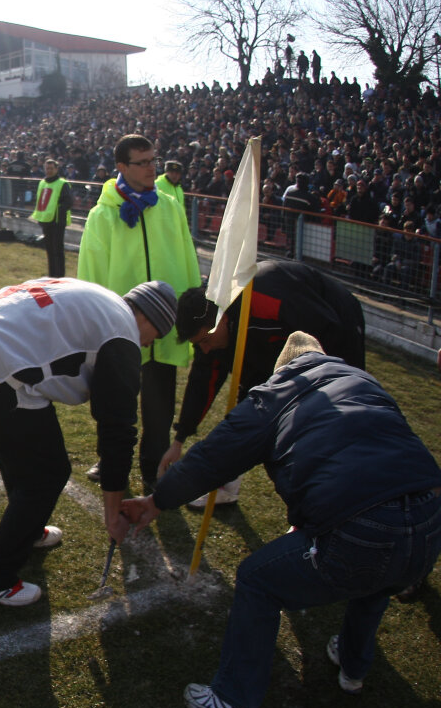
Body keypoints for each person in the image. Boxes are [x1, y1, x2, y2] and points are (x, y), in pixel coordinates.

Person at [123, 332, 441, 708]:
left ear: (284, 368)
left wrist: (157, 500)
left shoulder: (276, 394)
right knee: (378, 578)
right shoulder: (361, 380)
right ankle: (353, 667)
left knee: (258, 579)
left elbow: (214, 456)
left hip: (361, 529)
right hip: (430, 523)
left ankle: (234, 704)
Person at [0, 278, 179, 606]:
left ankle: (28, 530)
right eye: (156, 336)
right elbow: (117, 431)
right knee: (47, 473)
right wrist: (112, 513)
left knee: (27, 461)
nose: (149, 345)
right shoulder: (121, 335)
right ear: (150, 319)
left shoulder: (103, 299)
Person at [162, 261, 367, 507]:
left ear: (222, 319)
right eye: (199, 344)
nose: (204, 349)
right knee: (250, 412)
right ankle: (227, 486)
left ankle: (346, 491)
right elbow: (202, 383)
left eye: (205, 340)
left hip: (335, 321)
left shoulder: (266, 298)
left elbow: (325, 327)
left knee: (330, 412)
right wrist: (180, 439)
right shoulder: (210, 330)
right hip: (268, 341)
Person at [77, 134, 201, 491]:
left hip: (164, 324)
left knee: (160, 404)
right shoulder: (103, 215)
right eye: (142, 162)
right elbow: (91, 272)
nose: (151, 169)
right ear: (122, 166)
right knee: (116, 399)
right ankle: (110, 457)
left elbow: (187, 255)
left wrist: (193, 305)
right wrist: (94, 322)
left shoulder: (170, 206)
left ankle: (153, 467)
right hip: (122, 326)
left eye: (153, 161)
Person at [30, 158, 73, 277]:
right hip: (46, 220)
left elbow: (68, 201)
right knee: (49, 249)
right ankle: (52, 274)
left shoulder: (62, 183)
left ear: (56, 169)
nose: (48, 171)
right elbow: (40, 201)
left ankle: (59, 275)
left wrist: (59, 210)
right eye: (47, 168)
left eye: (51, 168)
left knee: (57, 249)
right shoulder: (42, 183)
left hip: (57, 221)